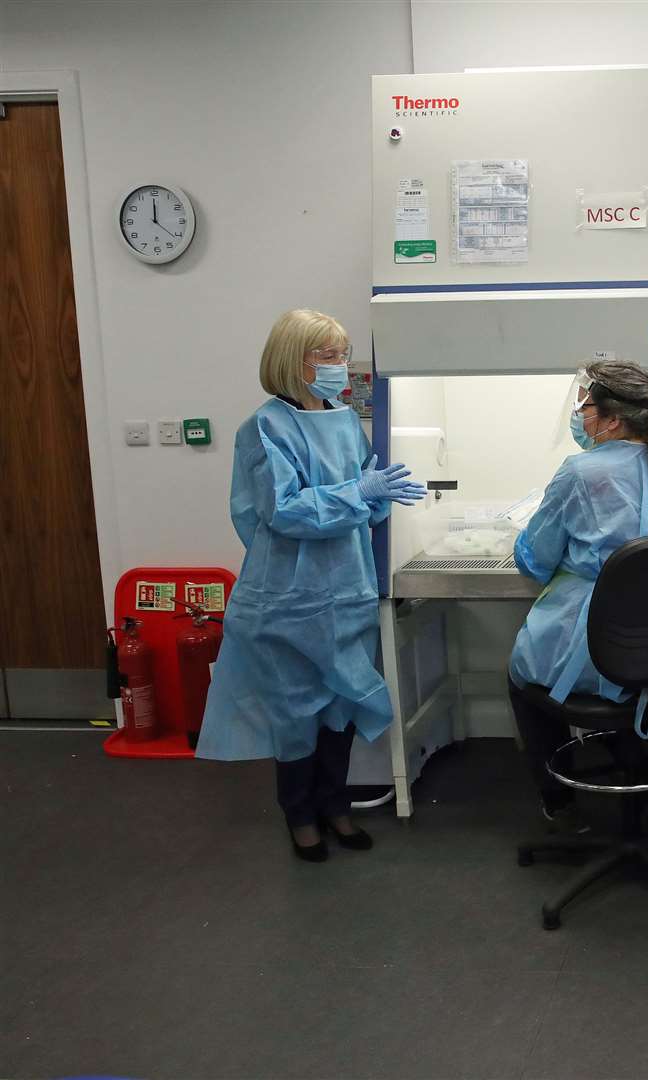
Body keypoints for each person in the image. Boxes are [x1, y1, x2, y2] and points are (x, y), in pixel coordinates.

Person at [198, 309, 427, 862]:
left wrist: (378, 497)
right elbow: (284, 511)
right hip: (289, 597)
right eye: (328, 355)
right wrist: (358, 492)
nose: (340, 366)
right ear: (294, 360)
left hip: (346, 588)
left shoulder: (345, 420)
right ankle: (300, 817)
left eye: (342, 353)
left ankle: (336, 806)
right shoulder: (264, 427)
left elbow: (359, 501)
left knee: (341, 706)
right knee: (295, 712)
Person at [507, 359, 648, 828]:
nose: (579, 417)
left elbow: (536, 560)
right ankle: (637, 766)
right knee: (631, 675)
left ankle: (560, 801)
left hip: (600, 649)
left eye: (584, 407)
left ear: (613, 419)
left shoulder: (581, 473)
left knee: (521, 674)